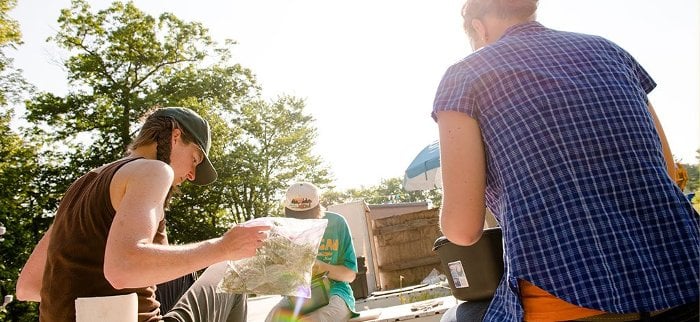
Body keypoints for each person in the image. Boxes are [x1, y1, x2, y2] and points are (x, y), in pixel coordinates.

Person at [432, 1, 699, 321]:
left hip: (571, 296)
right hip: (684, 278)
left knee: (457, 316)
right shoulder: (612, 52)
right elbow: (667, 173)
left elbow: (463, 231)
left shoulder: (463, 76)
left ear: (479, 28)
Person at [15, 106, 271, 322]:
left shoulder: (82, 185)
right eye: (195, 158)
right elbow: (123, 269)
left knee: (179, 277)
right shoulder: (154, 170)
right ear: (175, 136)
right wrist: (224, 247)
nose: (192, 175)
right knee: (231, 268)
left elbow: (27, 285)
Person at [265, 182, 359, 322]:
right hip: (299, 296)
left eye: (307, 215)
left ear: (318, 207)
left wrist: (319, 266)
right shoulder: (282, 229)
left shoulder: (337, 223)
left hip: (335, 293)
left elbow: (350, 275)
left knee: (313, 320)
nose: (302, 220)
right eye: (296, 216)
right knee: (274, 317)